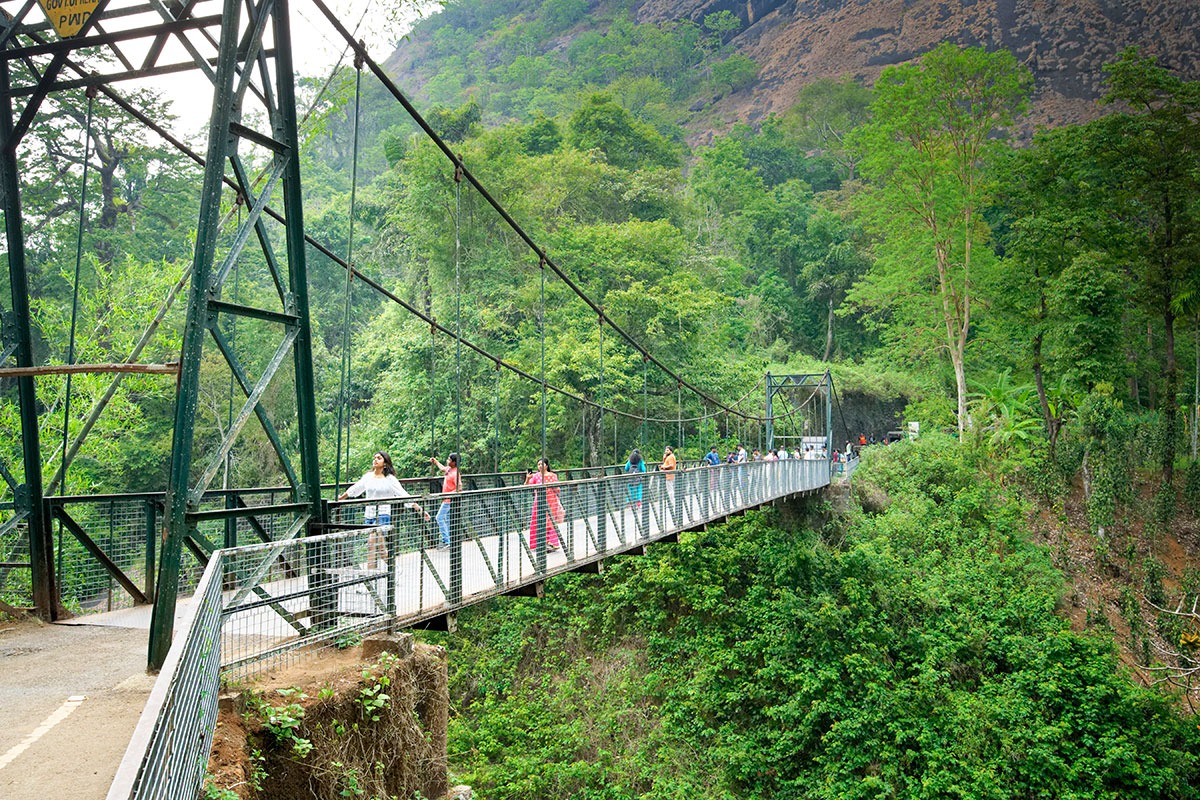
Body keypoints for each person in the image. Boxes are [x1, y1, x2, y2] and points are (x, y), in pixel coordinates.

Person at [338, 451, 427, 569]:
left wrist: (418, 508)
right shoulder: (368, 476)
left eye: (379, 458)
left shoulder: (389, 479)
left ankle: (370, 577)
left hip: (382, 515)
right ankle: (393, 569)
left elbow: (403, 494)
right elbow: (355, 488)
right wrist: (340, 498)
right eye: (374, 458)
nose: (375, 460)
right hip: (369, 515)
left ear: (385, 463)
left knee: (371, 544)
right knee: (381, 549)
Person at [527, 457, 563, 551]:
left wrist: (551, 485)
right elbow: (527, 486)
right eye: (538, 464)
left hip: (551, 501)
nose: (539, 466)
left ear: (546, 465)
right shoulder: (536, 476)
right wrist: (528, 479)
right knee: (537, 520)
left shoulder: (553, 475)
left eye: (541, 464)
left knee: (550, 521)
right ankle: (537, 543)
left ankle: (551, 542)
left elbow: (557, 489)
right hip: (538, 501)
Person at [430, 452, 460, 549]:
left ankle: (447, 541)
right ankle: (450, 541)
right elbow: (442, 468)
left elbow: (459, 488)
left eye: (449, 459)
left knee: (439, 518)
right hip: (446, 500)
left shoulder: (456, 473)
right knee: (447, 520)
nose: (447, 461)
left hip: (449, 501)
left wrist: (448, 494)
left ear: (454, 462)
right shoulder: (449, 469)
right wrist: (436, 462)